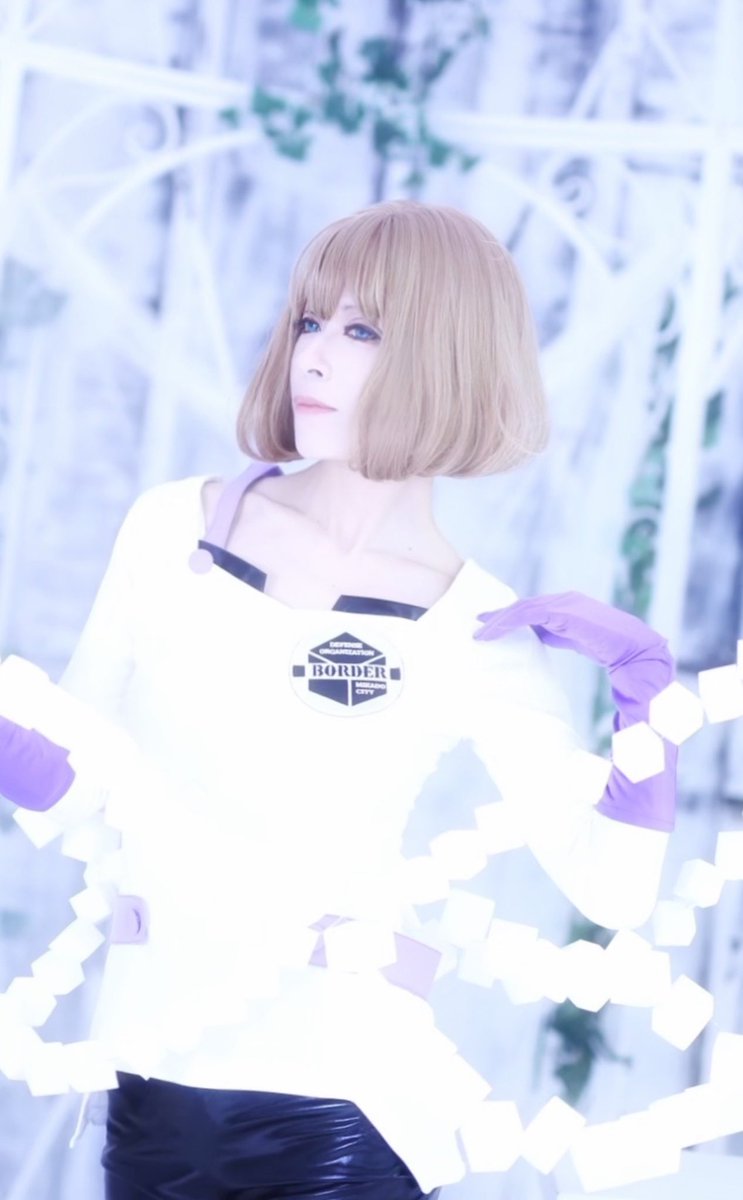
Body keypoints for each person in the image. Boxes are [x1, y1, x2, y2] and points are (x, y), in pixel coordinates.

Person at [0, 200, 677, 1199]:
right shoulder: (171, 529)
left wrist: (646, 696)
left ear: (446, 358)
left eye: (361, 331)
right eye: (309, 321)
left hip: (341, 1108)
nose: (311, 356)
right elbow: (73, 793)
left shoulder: (470, 624)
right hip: (149, 1085)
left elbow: (612, 890)